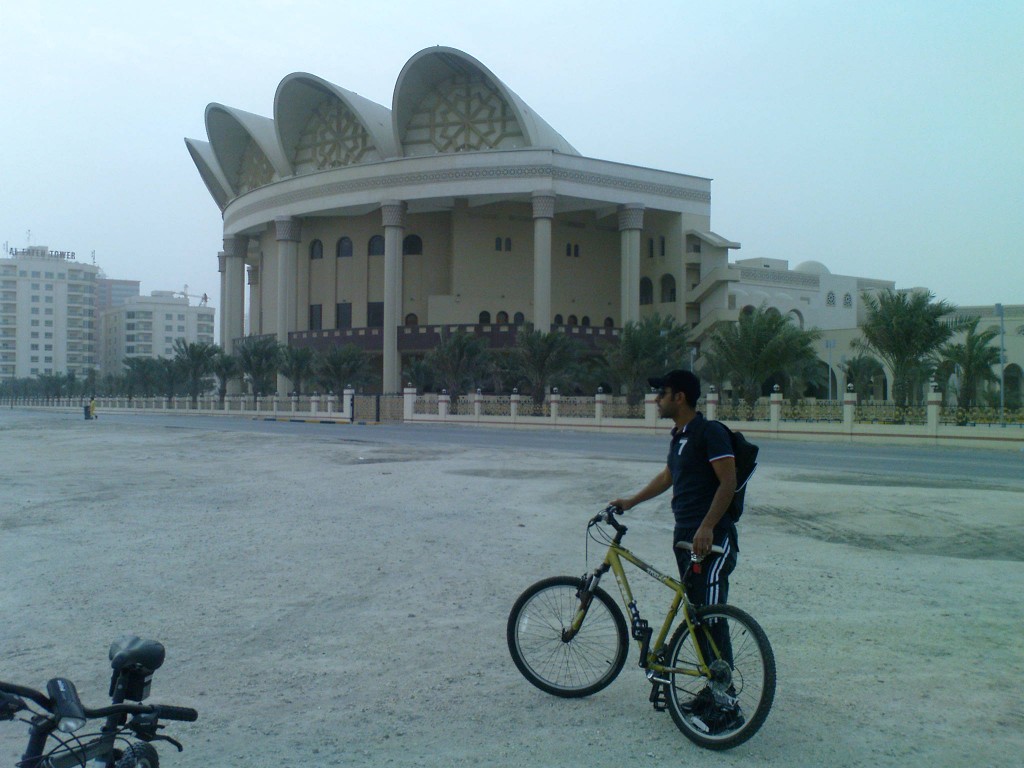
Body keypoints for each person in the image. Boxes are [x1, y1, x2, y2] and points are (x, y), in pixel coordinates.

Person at [610, 368, 738, 610]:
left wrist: (707, 526)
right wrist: (630, 502)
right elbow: (668, 476)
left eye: (663, 393)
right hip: (685, 535)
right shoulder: (680, 436)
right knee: (696, 609)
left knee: (709, 615)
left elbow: (728, 482)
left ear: (679, 397)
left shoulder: (709, 432)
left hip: (711, 538)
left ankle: (717, 650)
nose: (657, 399)